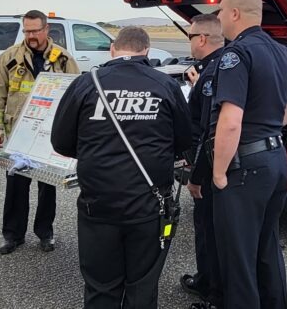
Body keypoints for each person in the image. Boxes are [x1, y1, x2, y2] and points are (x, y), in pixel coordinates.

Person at [50, 26, 192, 309]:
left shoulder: (86, 84)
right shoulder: (165, 85)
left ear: (112, 49)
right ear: (146, 51)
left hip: (98, 205)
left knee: (101, 287)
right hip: (148, 205)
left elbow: (61, 142)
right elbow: (184, 141)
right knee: (142, 287)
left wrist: (95, 151)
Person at [209, 0, 287, 309]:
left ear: (234, 13)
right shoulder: (277, 51)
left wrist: (219, 173)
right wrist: (274, 122)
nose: (218, 18)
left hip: (245, 168)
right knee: (267, 249)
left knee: (238, 260)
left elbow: (231, 121)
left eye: (220, 11)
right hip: (275, 160)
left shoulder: (236, 54)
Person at [0, 9, 79, 255]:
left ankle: (45, 233)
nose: (30, 36)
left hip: (50, 136)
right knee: (16, 186)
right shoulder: (9, 58)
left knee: (48, 187)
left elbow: (76, 96)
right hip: (19, 135)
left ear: (46, 29)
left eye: (35, 31)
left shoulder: (63, 59)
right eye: (26, 31)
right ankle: (13, 235)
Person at [177, 14, 225, 308]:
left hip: (207, 165)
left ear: (202, 39)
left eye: (191, 37)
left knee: (208, 229)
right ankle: (211, 282)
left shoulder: (210, 74)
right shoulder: (220, 67)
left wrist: (195, 174)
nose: (190, 42)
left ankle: (211, 291)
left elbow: (206, 130)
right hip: (227, 163)